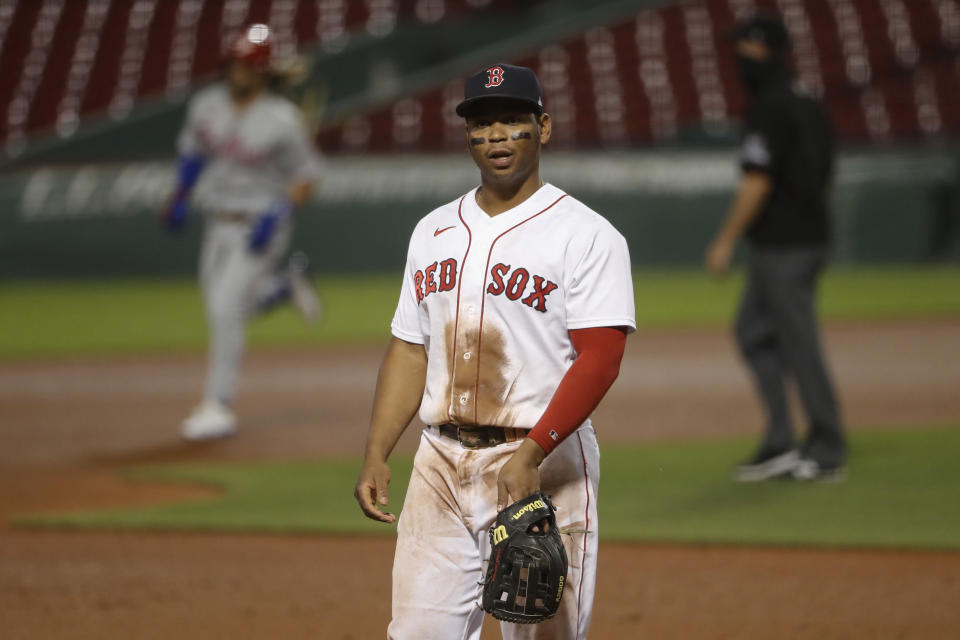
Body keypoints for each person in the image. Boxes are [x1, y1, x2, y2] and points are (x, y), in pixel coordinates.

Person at [354, 63, 635, 639]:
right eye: (482, 124)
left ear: (544, 127)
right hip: (439, 462)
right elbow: (410, 349)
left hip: (543, 463)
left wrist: (530, 456)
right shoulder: (433, 230)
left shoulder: (586, 235)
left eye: (512, 120)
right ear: (467, 136)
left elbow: (601, 358)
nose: (496, 136)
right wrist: (378, 450)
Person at [704, 12, 846, 481]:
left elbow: (757, 182)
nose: (740, 57)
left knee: (797, 342)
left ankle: (826, 447)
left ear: (765, 50)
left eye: (747, 48)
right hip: (800, 236)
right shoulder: (805, 99)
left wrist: (724, 241)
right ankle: (781, 440)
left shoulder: (770, 103)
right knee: (753, 333)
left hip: (785, 243)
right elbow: (826, 168)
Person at [164, 24, 323, 441]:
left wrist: (278, 210)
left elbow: (306, 176)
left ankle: (218, 405)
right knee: (224, 306)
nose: (238, 72)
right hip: (217, 222)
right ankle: (281, 288)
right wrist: (180, 193)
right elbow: (192, 153)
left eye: (247, 65)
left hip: (259, 226)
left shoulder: (282, 119)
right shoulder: (206, 106)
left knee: (224, 310)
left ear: (263, 70)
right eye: (234, 63)